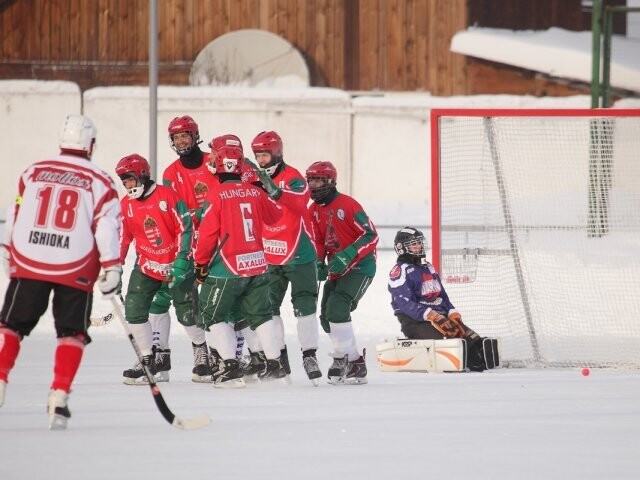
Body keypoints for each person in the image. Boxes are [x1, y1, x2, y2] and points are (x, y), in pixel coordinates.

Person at [0, 114, 122, 429]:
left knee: (11, 326)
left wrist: (7, 247)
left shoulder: (34, 172)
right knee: (72, 332)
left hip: (31, 258)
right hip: (75, 264)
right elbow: (106, 227)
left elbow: (16, 211)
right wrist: (112, 266)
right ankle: (59, 396)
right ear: (90, 144)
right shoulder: (102, 181)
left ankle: (0, 380)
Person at [194, 144, 291, 388]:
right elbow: (276, 216)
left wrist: (200, 264)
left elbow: (206, 235)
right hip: (258, 264)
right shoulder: (254, 192)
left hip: (226, 267)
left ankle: (230, 369)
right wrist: (262, 190)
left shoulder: (216, 194)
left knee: (212, 315)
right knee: (261, 316)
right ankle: (276, 366)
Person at [115, 153, 204, 385]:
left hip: (176, 266)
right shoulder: (126, 205)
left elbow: (185, 228)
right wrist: (115, 266)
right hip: (146, 267)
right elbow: (123, 238)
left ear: (143, 175)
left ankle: (204, 355)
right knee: (134, 311)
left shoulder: (168, 196)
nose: (128, 185)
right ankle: (149, 360)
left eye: (131, 179)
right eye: (124, 181)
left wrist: (183, 258)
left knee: (187, 315)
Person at [140, 115, 213, 383]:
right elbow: (173, 212)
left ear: (195, 136)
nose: (181, 140)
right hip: (185, 244)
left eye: (185, 135)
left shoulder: (212, 163)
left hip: (216, 243)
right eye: (176, 137)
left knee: (208, 302)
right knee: (162, 299)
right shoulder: (171, 173)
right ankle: (161, 355)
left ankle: (210, 351)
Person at [250, 131, 321, 384]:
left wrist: (276, 192)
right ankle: (279, 359)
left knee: (305, 308)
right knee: (270, 309)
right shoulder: (255, 179)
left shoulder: (293, 177)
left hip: (299, 254)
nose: (261, 160)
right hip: (270, 254)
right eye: (257, 155)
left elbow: (302, 202)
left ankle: (310, 355)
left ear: (277, 153)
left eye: (265, 155)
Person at [306, 161, 378, 385]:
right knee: (327, 319)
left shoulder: (348, 205)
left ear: (330, 181)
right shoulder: (313, 209)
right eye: (311, 180)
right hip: (336, 267)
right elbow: (318, 240)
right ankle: (356, 362)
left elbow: (371, 236)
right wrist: (317, 261)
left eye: (318, 180)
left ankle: (341, 359)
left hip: (360, 266)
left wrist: (347, 255)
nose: (314, 185)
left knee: (338, 307)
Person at [387, 226, 494, 371]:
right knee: (450, 343)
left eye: (419, 243)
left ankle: (480, 358)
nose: (418, 247)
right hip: (416, 321)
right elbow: (403, 302)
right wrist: (430, 315)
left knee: (472, 338)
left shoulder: (428, 267)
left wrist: (451, 312)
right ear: (401, 248)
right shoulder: (400, 270)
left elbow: (442, 295)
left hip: (441, 317)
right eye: (414, 244)